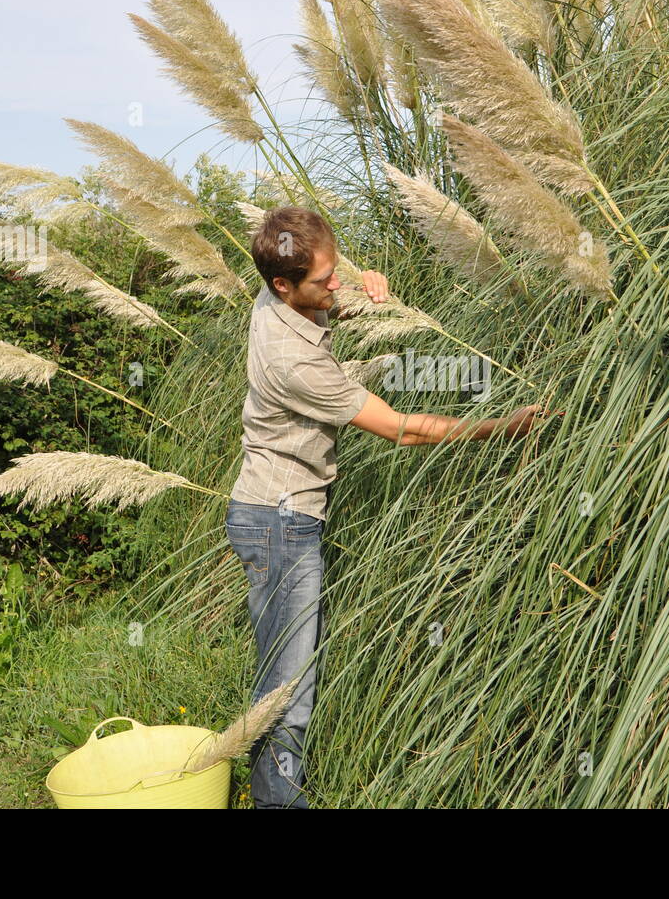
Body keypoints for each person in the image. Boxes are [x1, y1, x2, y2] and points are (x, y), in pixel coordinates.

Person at [225, 205, 546, 808]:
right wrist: (500, 427)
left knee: (285, 676)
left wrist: (369, 295)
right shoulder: (294, 363)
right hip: (279, 524)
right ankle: (278, 802)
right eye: (324, 281)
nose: (334, 285)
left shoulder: (277, 298)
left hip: (273, 516)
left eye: (335, 270)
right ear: (282, 284)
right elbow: (402, 430)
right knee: (287, 687)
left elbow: (325, 305)